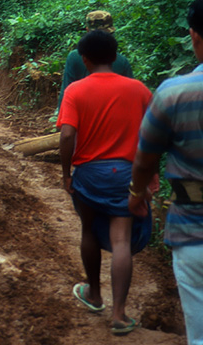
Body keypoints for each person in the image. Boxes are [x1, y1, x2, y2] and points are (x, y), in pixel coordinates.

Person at [57, 29, 152, 336]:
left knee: (89, 231)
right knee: (121, 240)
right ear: (115, 57)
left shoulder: (76, 91)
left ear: (84, 60)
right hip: (127, 174)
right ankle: (120, 315)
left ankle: (94, 295)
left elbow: (68, 134)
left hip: (89, 175)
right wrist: (152, 174)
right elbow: (151, 138)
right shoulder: (139, 90)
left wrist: (66, 173)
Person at [130, 0, 203, 344]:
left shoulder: (174, 93)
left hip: (193, 231)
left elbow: (145, 159)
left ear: (194, 36)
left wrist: (136, 194)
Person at [54, 10, 133, 119]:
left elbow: (66, 92)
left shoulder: (76, 56)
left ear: (87, 30)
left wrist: (62, 120)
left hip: (85, 120)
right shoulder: (121, 60)